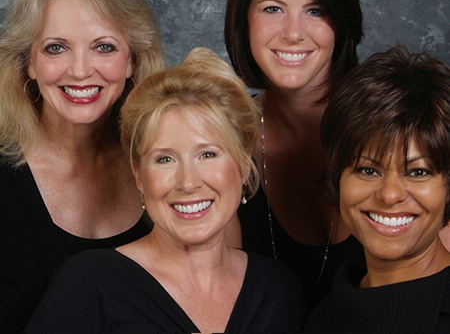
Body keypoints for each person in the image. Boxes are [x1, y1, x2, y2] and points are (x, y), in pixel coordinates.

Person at [26, 47, 306, 333]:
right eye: (165, 159)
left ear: (244, 165)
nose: (187, 182)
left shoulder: (278, 291)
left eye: (208, 155)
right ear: (138, 175)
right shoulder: (88, 284)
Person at [0, 0, 165, 332]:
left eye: (103, 47)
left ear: (133, 60)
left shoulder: (166, 166)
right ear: (28, 62)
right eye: (56, 48)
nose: (79, 70)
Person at [224, 0, 365, 312]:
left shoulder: (396, 126)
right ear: (244, 19)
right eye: (273, 9)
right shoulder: (220, 136)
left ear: (341, 19)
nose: (293, 33)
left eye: (315, 10)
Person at [304, 46, 450, 333]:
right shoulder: (324, 321)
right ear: (338, 178)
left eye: (417, 172)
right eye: (368, 170)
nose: (390, 194)